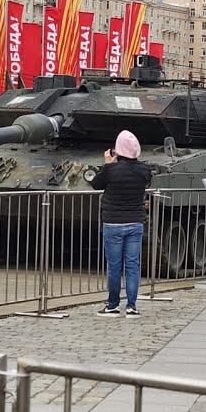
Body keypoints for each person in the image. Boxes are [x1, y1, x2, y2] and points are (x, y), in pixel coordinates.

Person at [91, 130, 153, 317]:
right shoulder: (144, 170)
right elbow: (147, 182)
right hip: (135, 222)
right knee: (133, 265)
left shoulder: (112, 170)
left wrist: (108, 164)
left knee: (115, 266)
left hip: (113, 223)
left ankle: (113, 305)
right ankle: (131, 306)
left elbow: (96, 184)